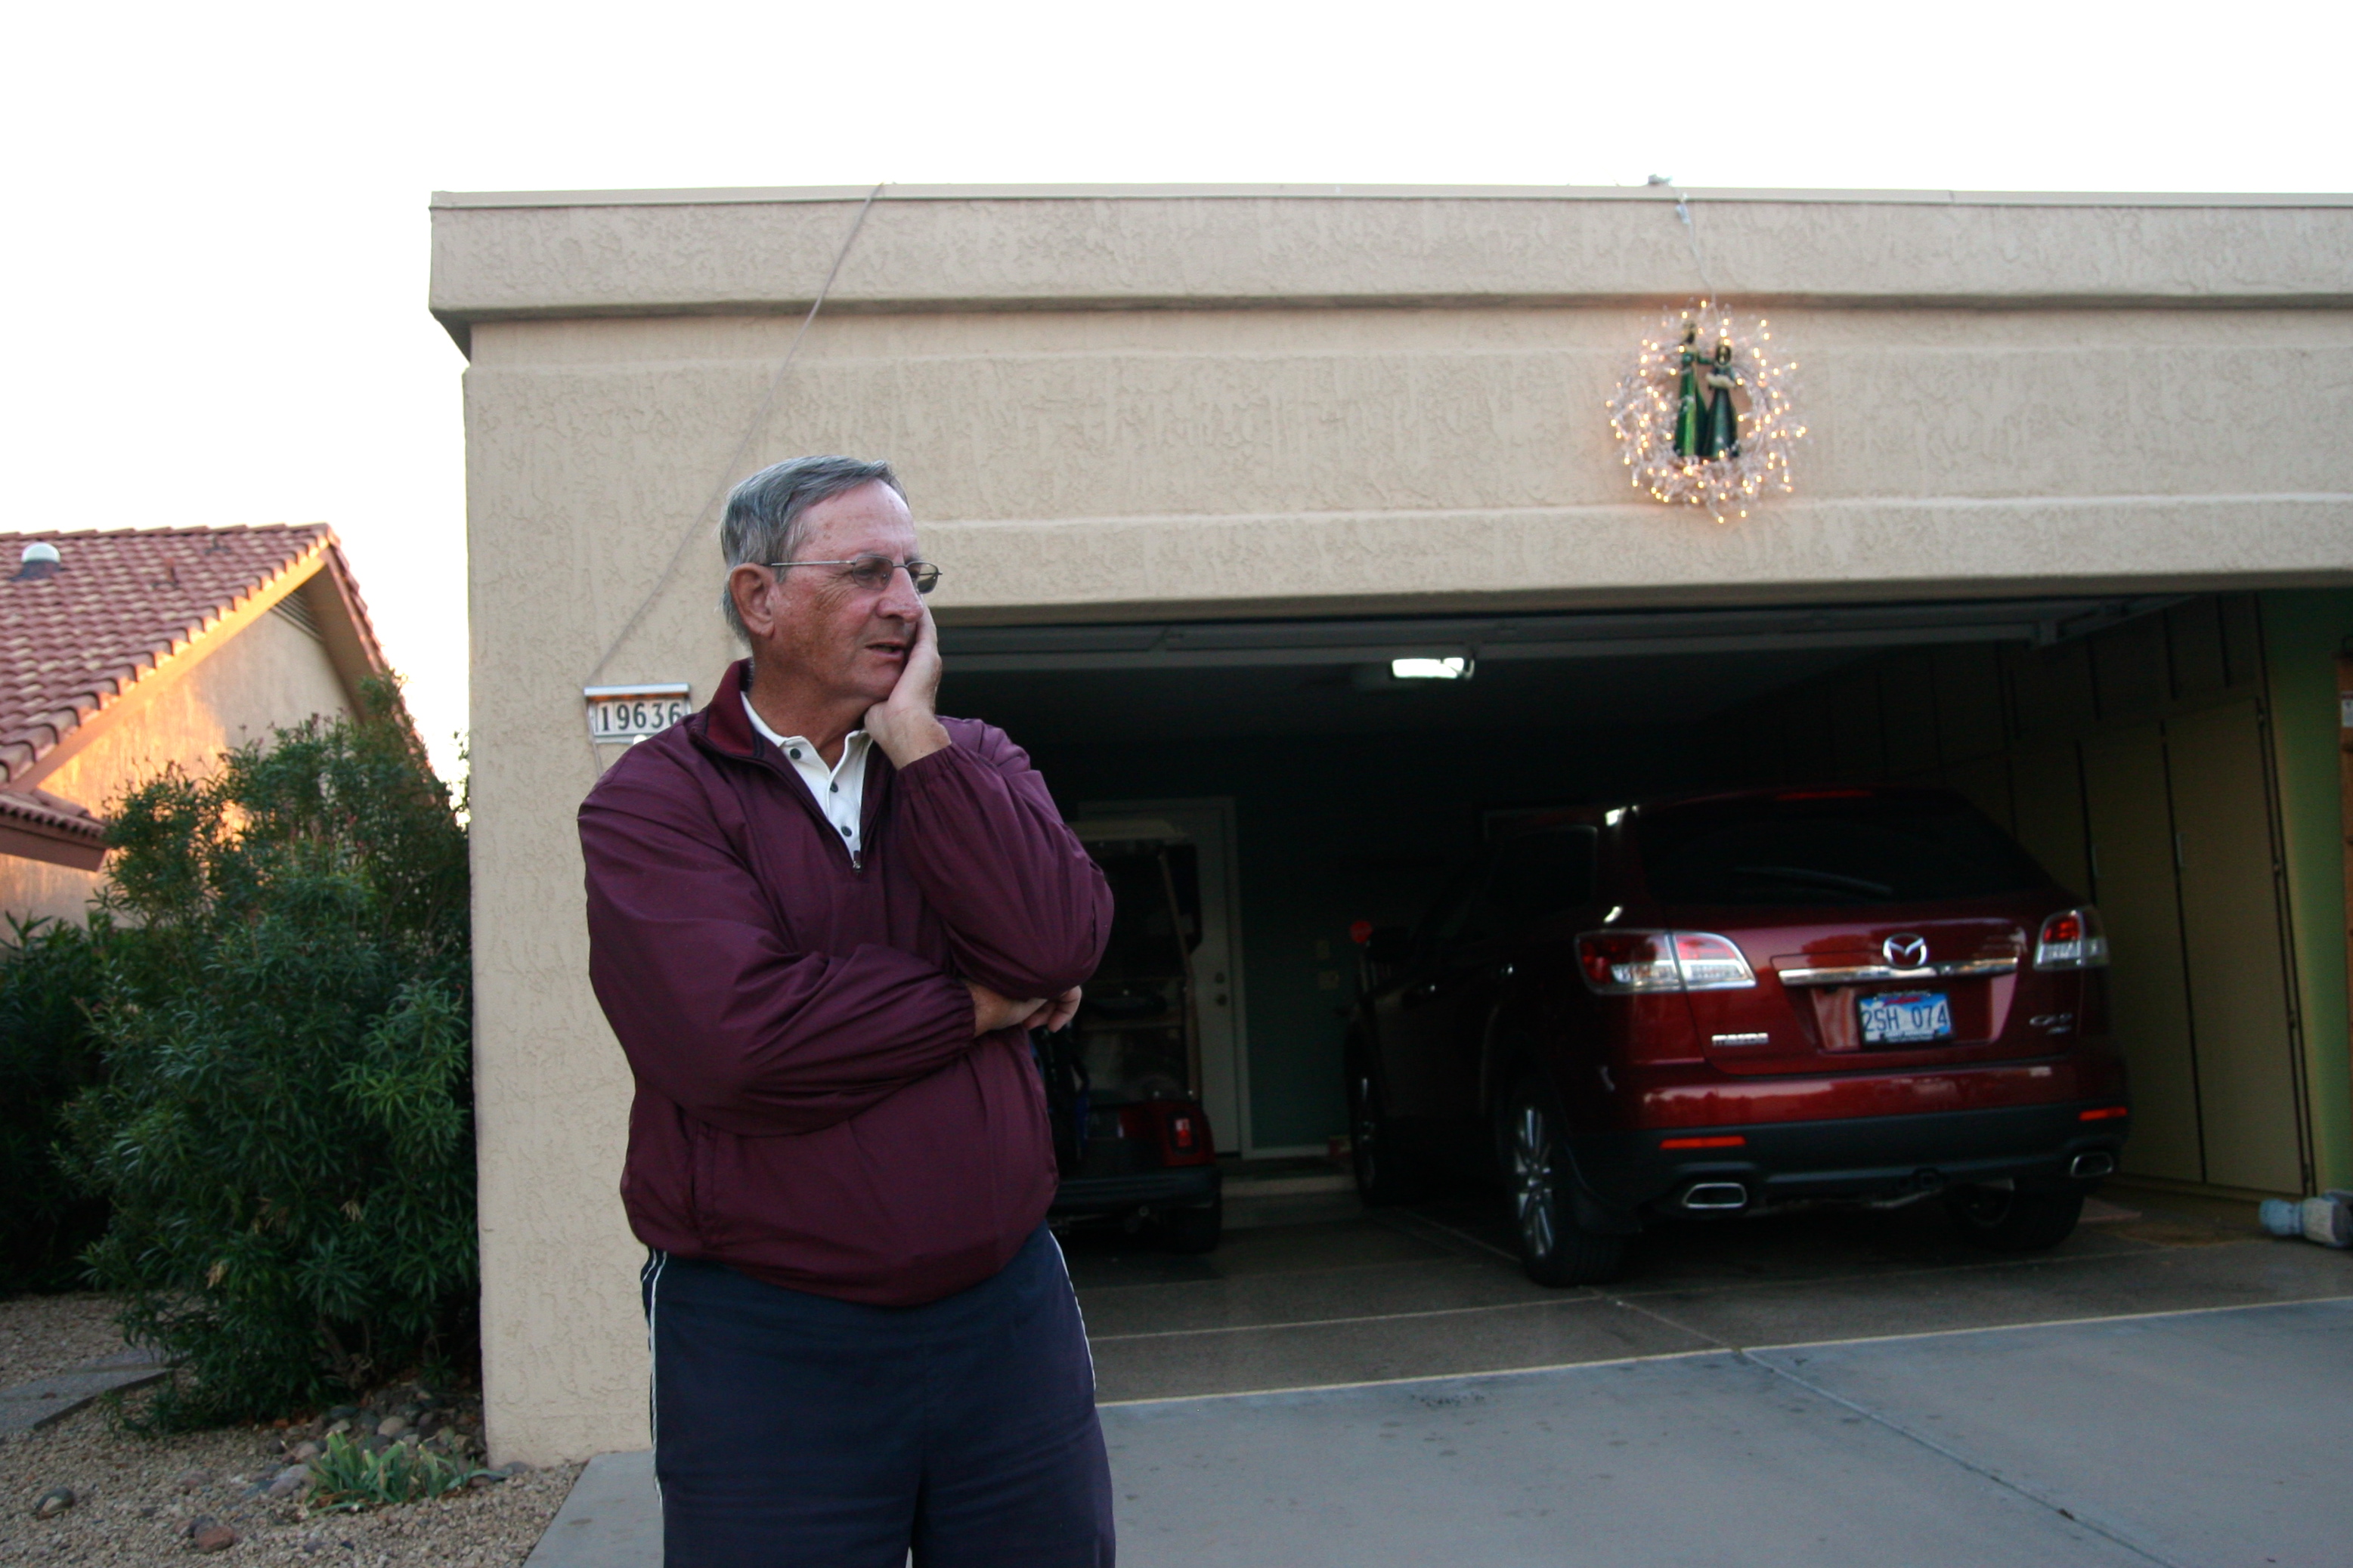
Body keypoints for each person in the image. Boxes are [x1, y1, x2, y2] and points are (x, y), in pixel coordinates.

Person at [578, 455, 1116, 1566]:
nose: (906, 604)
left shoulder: (974, 759)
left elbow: (1059, 944)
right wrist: (979, 1002)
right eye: (867, 572)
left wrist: (917, 741)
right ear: (759, 599)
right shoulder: (656, 801)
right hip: (767, 1338)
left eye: (916, 574)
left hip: (1004, 1319)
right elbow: (740, 1044)